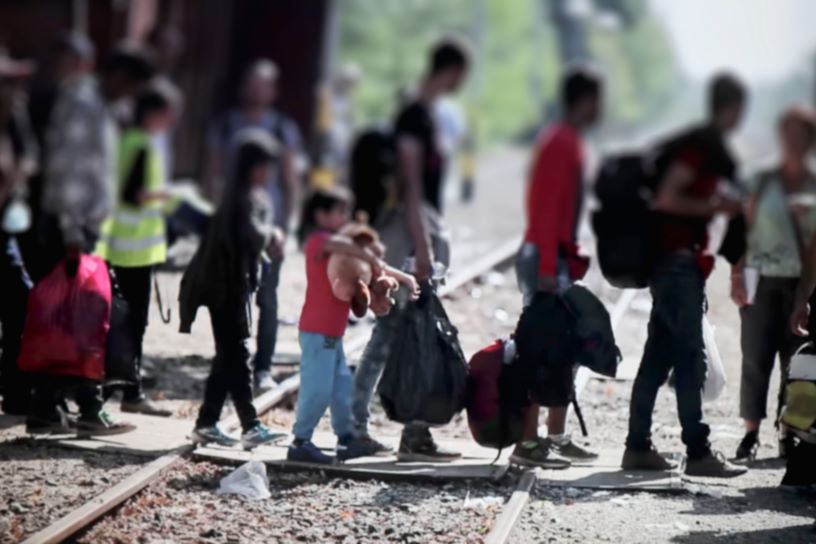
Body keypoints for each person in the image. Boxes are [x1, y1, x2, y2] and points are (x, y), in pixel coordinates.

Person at [622, 73, 749, 477]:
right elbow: (668, 197)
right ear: (731, 109)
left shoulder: (702, 145)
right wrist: (717, 207)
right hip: (677, 266)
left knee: (658, 360)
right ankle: (698, 452)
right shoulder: (698, 148)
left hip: (677, 265)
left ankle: (637, 447)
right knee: (689, 359)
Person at [27, 37, 155, 436]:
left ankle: (51, 409)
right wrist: (70, 230)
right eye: (130, 85)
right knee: (78, 319)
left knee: (75, 320)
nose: (130, 94)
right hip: (70, 229)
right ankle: (83, 408)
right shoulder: (82, 103)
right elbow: (65, 169)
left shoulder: (104, 106)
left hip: (86, 228)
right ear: (117, 75)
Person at [351, 37, 470, 461]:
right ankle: (360, 428)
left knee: (404, 333)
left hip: (414, 236)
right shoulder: (414, 118)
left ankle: (390, 429)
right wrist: (422, 251)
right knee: (393, 335)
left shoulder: (423, 114)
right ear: (451, 71)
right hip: (408, 239)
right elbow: (413, 189)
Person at [511, 67, 602, 468]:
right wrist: (549, 263)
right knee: (539, 346)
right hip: (545, 257)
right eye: (598, 100)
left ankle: (557, 437)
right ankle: (528, 442)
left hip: (556, 256)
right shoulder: (560, 143)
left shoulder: (569, 141)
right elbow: (545, 210)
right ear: (585, 100)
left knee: (563, 348)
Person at [288, 188, 419, 464]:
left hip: (332, 335)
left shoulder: (347, 246)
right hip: (316, 331)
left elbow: (376, 264)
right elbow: (348, 249)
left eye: (347, 212)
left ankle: (347, 440)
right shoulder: (318, 241)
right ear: (320, 215)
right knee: (318, 388)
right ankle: (300, 441)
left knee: (341, 389)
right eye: (339, 212)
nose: (345, 218)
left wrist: (404, 277)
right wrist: (370, 257)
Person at [180, 128, 287, 449]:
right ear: (250, 167)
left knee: (228, 356)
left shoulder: (241, 197)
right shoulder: (240, 200)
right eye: (264, 167)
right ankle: (250, 425)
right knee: (237, 355)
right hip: (224, 289)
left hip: (228, 287)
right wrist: (273, 235)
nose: (267, 174)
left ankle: (207, 422)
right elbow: (253, 236)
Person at [207, 59, 301, 392]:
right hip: (234, 228)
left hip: (269, 227)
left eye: (265, 84)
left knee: (268, 300)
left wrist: (287, 226)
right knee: (234, 298)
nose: (257, 90)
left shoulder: (282, 129)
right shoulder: (226, 125)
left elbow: (290, 181)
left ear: (274, 91)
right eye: (252, 82)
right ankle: (233, 363)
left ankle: (263, 368)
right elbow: (214, 176)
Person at [730, 106, 816, 463]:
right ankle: (750, 433)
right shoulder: (760, 180)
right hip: (761, 280)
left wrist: (805, 295)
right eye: (788, 133)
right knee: (755, 358)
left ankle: (788, 433)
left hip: (803, 282)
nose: (793, 141)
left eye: (801, 134)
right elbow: (742, 232)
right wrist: (736, 275)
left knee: (795, 363)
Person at [95, 85, 177, 417]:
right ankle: (114, 395)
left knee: (121, 323)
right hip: (132, 252)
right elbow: (134, 194)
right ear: (152, 114)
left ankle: (127, 391)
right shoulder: (140, 144)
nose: (170, 121)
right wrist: (171, 195)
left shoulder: (128, 141)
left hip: (123, 247)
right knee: (130, 324)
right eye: (166, 114)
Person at [0, 47, 37, 416]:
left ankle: (13, 389)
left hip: (4, 230)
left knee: (20, 300)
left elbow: (28, 158)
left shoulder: (14, 116)